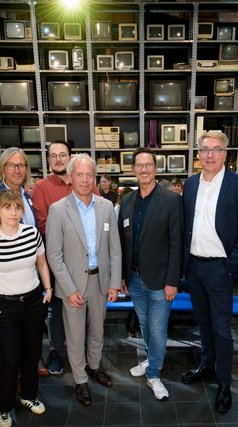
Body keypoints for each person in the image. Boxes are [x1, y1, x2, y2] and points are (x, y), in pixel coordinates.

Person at [180, 131, 238, 413]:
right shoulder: (190, 184)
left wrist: (231, 265)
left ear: (225, 153)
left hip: (220, 268)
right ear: (198, 154)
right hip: (194, 267)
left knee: (222, 328)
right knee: (203, 322)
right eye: (205, 149)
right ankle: (206, 365)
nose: (210, 155)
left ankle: (224, 382)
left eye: (216, 149)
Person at [46, 154, 122, 407]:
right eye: (79, 174)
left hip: (100, 281)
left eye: (89, 174)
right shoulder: (58, 209)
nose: (85, 179)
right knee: (76, 336)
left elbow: (115, 249)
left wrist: (114, 282)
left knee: (98, 331)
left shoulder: (106, 207)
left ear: (96, 178)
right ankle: (80, 379)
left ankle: (95, 366)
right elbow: (54, 255)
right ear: (70, 177)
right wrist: (68, 290)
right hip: (73, 286)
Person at [0, 189, 53, 427]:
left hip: (33, 303)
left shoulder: (31, 234)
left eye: (17, 207)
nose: (13, 212)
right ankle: (3, 407)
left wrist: (48, 289)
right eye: (7, 207)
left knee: (31, 354)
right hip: (6, 306)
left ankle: (28, 395)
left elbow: (41, 262)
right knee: (10, 359)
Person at [118, 148, 183, 401]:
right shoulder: (126, 202)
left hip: (160, 281)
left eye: (148, 165)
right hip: (134, 280)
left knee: (157, 329)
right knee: (144, 325)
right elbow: (123, 244)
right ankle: (151, 359)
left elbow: (176, 243)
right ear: (133, 169)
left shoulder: (170, 200)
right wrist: (123, 276)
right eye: (139, 165)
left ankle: (154, 372)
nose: (143, 169)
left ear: (155, 168)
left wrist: (172, 281)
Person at [31, 141, 77, 376]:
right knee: (57, 310)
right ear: (48, 160)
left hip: (84, 262)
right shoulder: (41, 187)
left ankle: (85, 353)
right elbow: (44, 225)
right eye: (53, 156)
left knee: (83, 307)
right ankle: (57, 351)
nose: (58, 159)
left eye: (63, 155)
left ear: (70, 157)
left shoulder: (83, 180)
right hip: (56, 260)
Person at [0, 148, 36, 235]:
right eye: (11, 165)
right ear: (3, 168)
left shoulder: (27, 197)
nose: (17, 171)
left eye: (21, 165)